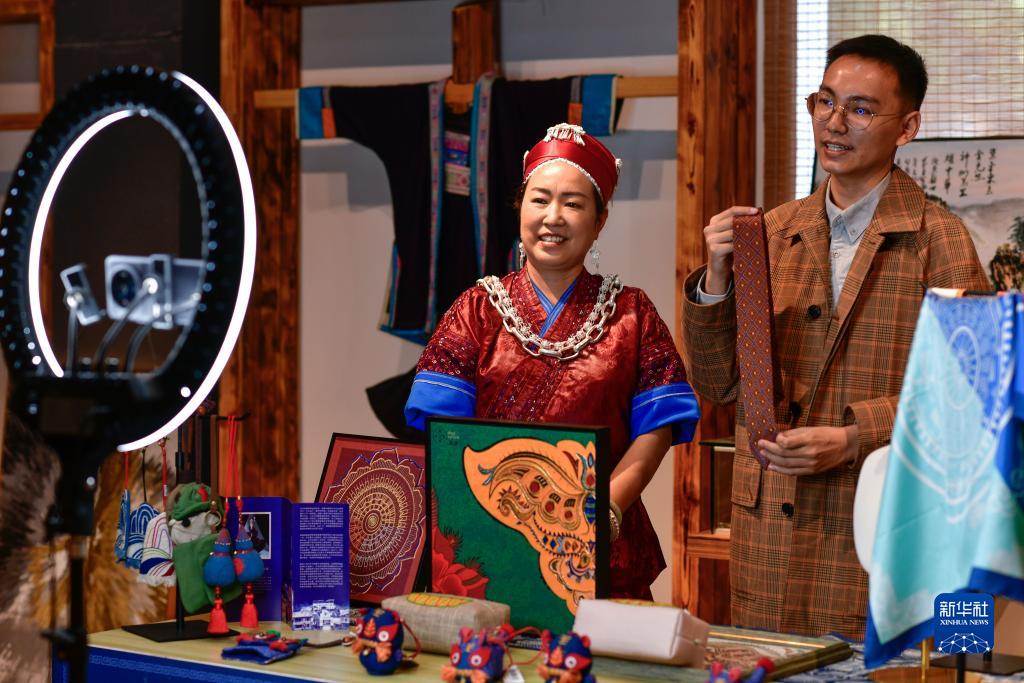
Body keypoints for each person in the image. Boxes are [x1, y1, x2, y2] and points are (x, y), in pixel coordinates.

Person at [681, 34, 989, 638]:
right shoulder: (769, 234)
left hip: (880, 527)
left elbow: (975, 400)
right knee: (771, 668)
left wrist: (854, 438)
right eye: (825, 101)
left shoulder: (941, 240)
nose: (834, 122)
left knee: (890, 670)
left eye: (861, 109)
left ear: (908, 128)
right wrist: (716, 280)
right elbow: (718, 387)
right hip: (771, 536)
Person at [405, 123, 700, 599]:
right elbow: (445, 434)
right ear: (520, 207)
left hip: (604, 542)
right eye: (539, 199)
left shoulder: (632, 313)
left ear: (600, 220)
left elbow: (657, 428)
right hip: (487, 546)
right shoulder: (475, 310)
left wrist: (605, 510)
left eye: (574, 204)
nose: (553, 217)